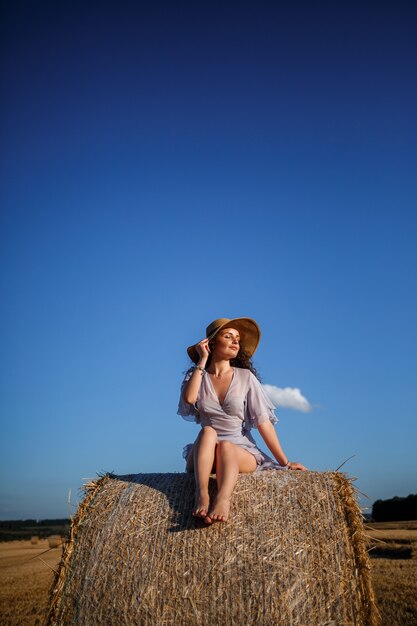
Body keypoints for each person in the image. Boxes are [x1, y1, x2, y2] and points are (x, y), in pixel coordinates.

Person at [178, 317, 307, 524]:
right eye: (228, 336)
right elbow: (189, 399)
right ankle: (201, 494)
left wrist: (285, 462)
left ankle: (223, 498)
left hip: (238, 451)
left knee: (226, 445)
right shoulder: (198, 376)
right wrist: (202, 361)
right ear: (211, 343)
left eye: (237, 338)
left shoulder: (245, 377)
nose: (235, 341)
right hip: (204, 452)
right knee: (208, 431)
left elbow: (263, 422)